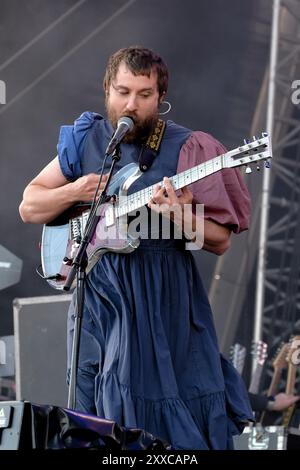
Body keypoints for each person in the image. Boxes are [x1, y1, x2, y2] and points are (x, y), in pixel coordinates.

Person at [19, 46, 253, 449]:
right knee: (95, 416)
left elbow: (220, 241)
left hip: (161, 295)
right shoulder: (88, 139)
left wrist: (180, 215)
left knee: (162, 423)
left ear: (160, 97)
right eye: (123, 92)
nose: (132, 104)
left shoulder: (187, 148)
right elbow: (30, 204)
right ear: (107, 90)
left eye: (144, 95)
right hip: (97, 296)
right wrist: (76, 189)